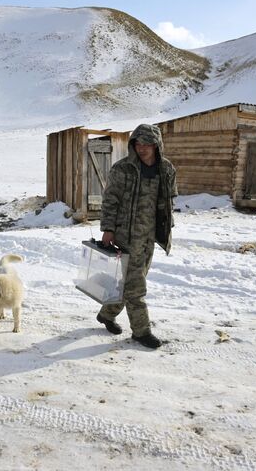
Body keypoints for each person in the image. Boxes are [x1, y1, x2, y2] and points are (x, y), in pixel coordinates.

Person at [96, 124, 177, 349]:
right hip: (124, 235)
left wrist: (166, 226)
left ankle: (106, 314)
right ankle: (141, 331)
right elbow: (110, 200)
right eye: (138, 143)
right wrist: (108, 229)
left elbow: (170, 199)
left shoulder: (167, 169)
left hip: (149, 236)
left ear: (156, 145)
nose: (142, 148)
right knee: (135, 286)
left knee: (128, 282)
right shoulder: (122, 169)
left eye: (147, 144)